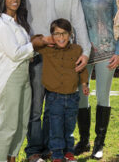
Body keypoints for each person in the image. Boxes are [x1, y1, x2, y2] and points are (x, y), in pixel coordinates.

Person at [20, 0, 91, 162]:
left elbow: (78, 20)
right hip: (37, 57)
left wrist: (85, 52)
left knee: (54, 108)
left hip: (63, 59)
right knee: (35, 109)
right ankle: (33, 151)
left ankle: (51, 149)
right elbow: (19, 24)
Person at [74, 0, 119, 160]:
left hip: (106, 50)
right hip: (82, 51)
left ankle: (99, 145)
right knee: (80, 97)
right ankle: (83, 141)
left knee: (103, 95)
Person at [0, 0, 42, 162]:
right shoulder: (2, 24)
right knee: (9, 123)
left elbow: (22, 50)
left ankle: (12, 157)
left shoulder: (18, 23)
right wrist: (33, 46)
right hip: (10, 77)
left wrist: (31, 52)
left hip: (24, 75)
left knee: (21, 123)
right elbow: (14, 53)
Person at [31, 18, 90, 162]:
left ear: (70, 34)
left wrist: (84, 84)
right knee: (56, 128)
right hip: (54, 97)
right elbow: (33, 43)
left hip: (72, 97)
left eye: (64, 33)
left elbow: (81, 69)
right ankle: (57, 155)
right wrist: (44, 39)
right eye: (57, 34)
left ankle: (69, 153)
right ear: (52, 35)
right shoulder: (47, 49)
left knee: (69, 128)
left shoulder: (77, 50)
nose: (61, 37)